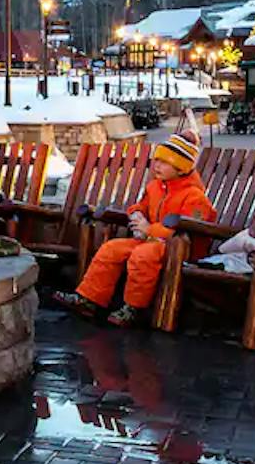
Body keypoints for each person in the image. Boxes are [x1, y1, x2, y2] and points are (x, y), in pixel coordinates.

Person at [53, 129, 213, 328]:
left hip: (177, 249)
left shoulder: (194, 197)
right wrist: (136, 213)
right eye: (157, 160)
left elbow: (191, 228)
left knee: (143, 255)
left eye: (165, 162)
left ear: (181, 167)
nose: (157, 165)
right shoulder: (155, 187)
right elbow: (141, 205)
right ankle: (90, 299)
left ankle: (133, 308)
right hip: (149, 240)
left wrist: (150, 229)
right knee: (112, 249)